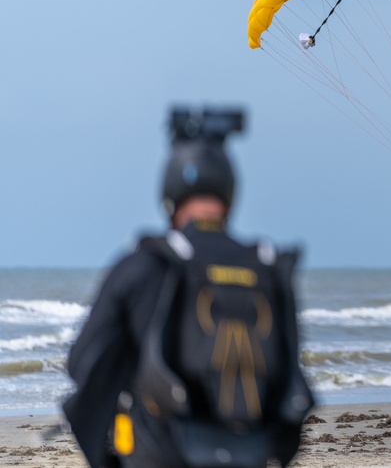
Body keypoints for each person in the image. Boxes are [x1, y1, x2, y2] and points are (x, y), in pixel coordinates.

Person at [63, 107, 314, 468]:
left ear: (169, 191)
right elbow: (290, 384)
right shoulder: (269, 268)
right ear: (230, 193)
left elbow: (82, 363)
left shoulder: (148, 264)